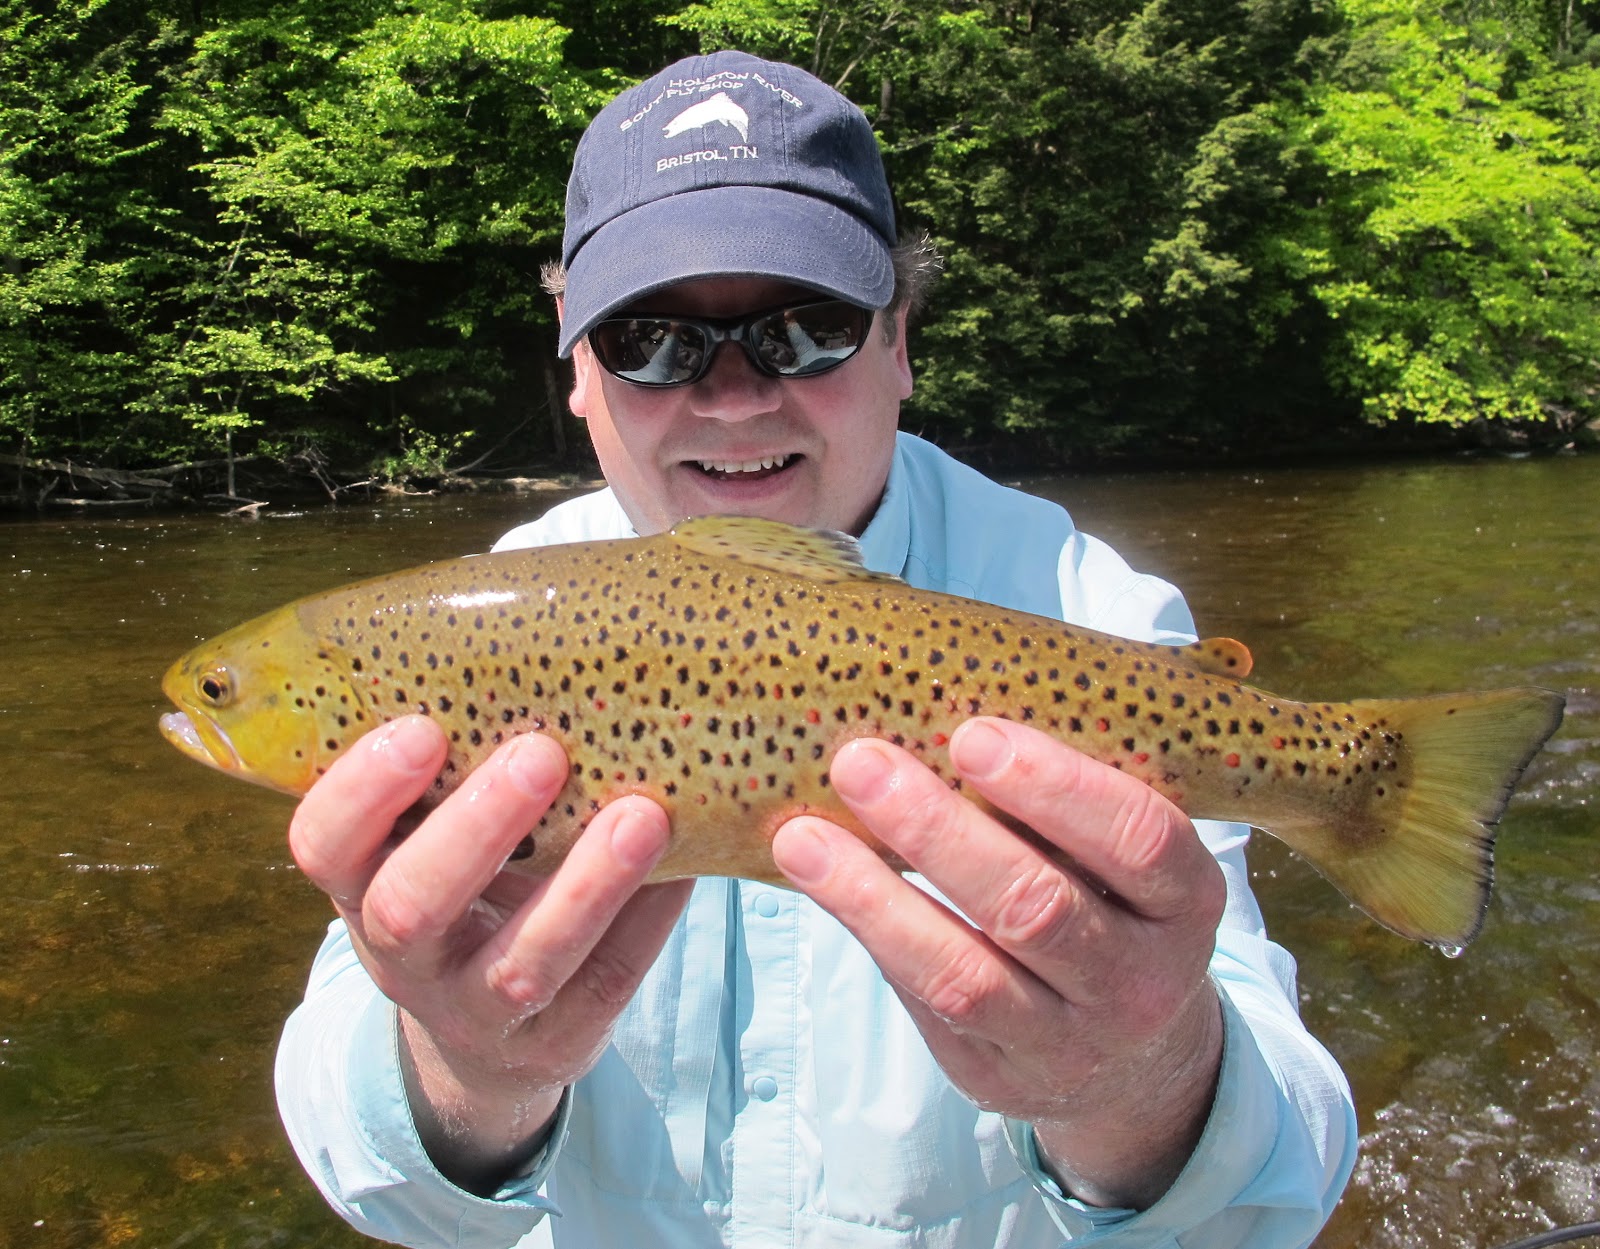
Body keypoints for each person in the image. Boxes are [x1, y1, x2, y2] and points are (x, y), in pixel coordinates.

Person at [275, 50, 1356, 1248]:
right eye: (649, 340)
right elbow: (375, 1176)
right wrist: (464, 1071)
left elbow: (1279, 1193)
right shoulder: (481, 632)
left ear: (899, 343)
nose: (734, 397)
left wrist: (1138, 1083)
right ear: (576, 371)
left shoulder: (1088, 615)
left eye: (807, 329)